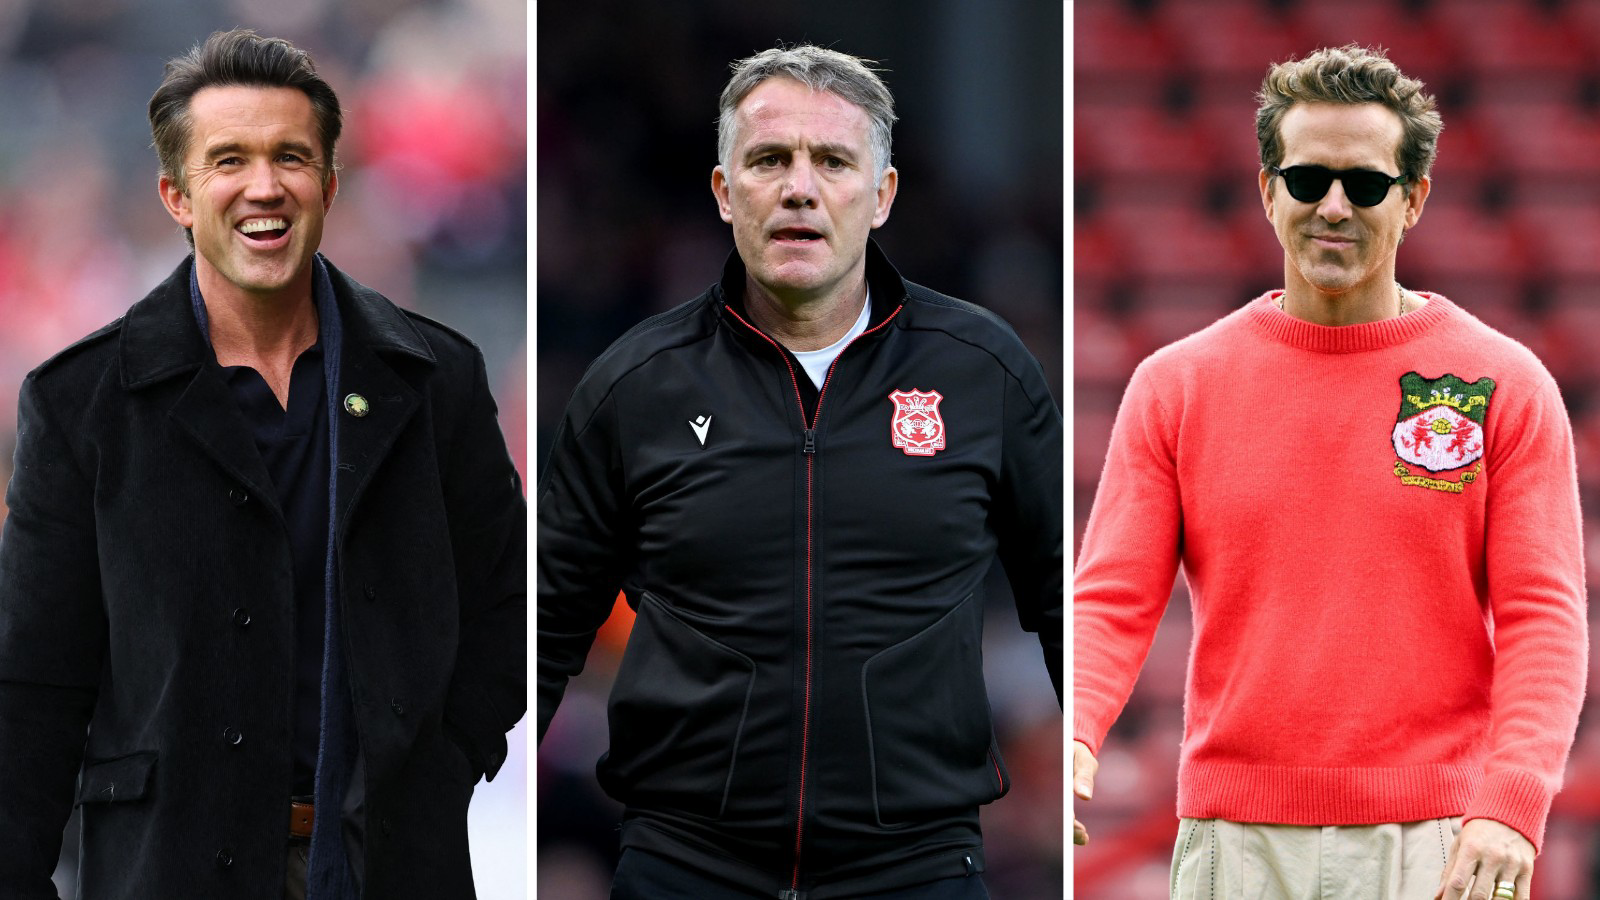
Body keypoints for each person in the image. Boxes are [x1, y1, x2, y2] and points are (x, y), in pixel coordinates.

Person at [0, 29, 525, 900]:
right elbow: (31, 685)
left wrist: (438, 763)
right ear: (176, 196)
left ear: (330, 184)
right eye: (229, 160)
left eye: (290, 156)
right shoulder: (81, 403)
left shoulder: (436, 380)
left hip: (387, 867)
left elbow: (504, 605)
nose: (264, 186)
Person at [537, 44, 1061, 899]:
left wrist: (1090, 766)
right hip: (685, 870)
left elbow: (1065, 599)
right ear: (724, 191)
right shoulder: (635, 384)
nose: (800, 188)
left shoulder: (983, 371)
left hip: (917, 870)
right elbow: (543, 627)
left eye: (834, 162)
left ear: (882, 195)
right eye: (770, 159)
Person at [1073, 44, 1586, 900]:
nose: (1334, 207)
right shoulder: (1176, 385)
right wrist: (1079, 729)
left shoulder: (1506, 384)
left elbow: (1545, 616)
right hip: (1234, 840)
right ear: (1267, 189)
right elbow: (1112, 598)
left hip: (1442, 840)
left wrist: (1513, 802)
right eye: (1308, 180)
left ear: (1414, 199)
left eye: (1367, 184)